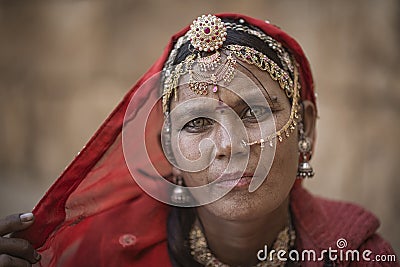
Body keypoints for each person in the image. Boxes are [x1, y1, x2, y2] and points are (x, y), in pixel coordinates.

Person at [0, 13, 398, 267]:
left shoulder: (357, 256)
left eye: (255, 112)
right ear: (169, 149)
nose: (228, 145)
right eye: (197, 124)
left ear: (305, 127)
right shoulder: (101, 256)